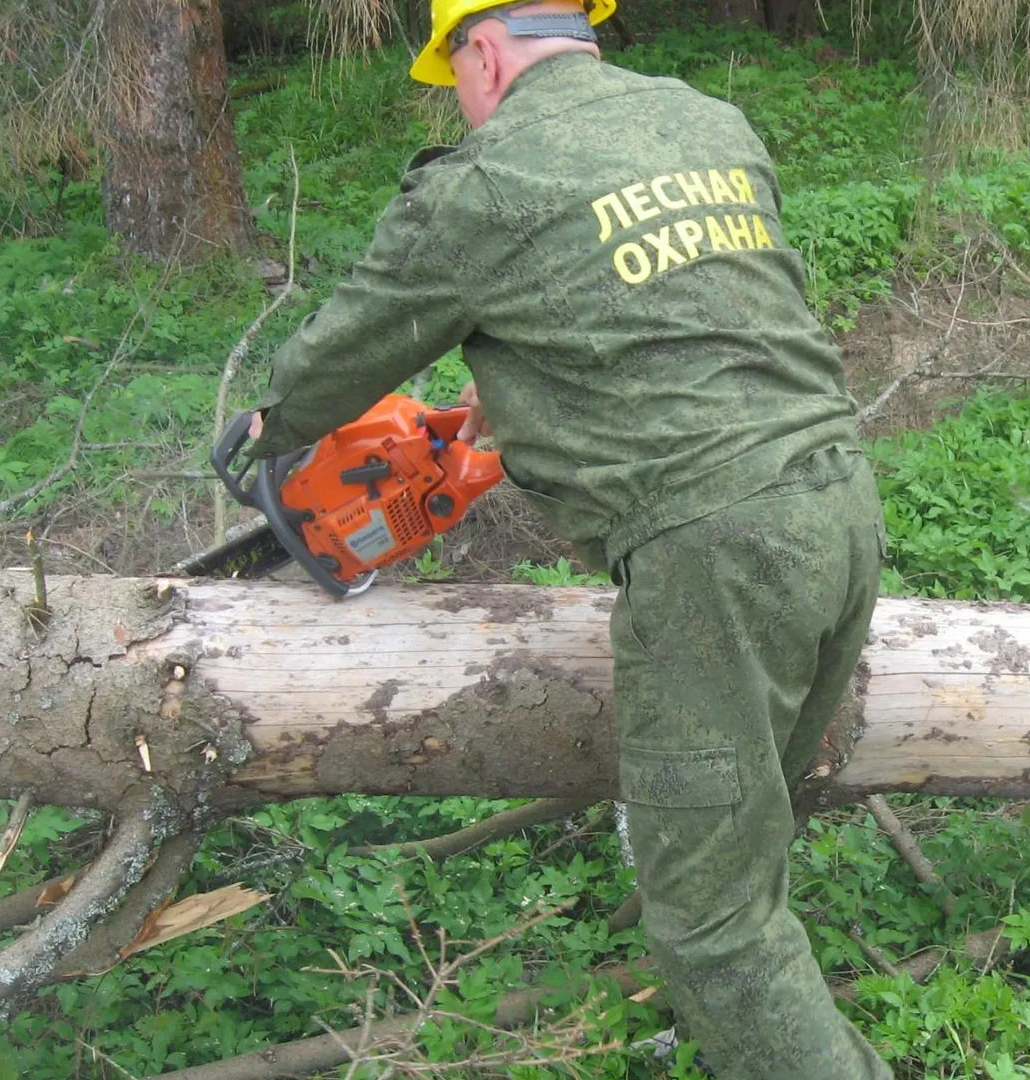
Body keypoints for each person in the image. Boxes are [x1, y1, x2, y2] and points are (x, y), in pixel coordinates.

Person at [242, 2, 891, 1076]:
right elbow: (694, 310)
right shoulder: (706, 123)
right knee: (747, 853)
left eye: (453, 75)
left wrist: (269, 432)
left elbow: (346, 349)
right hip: (839, 507)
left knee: (712, 928)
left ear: (482, 54)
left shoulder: (484, 183)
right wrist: (524, 388)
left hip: (714, 557)